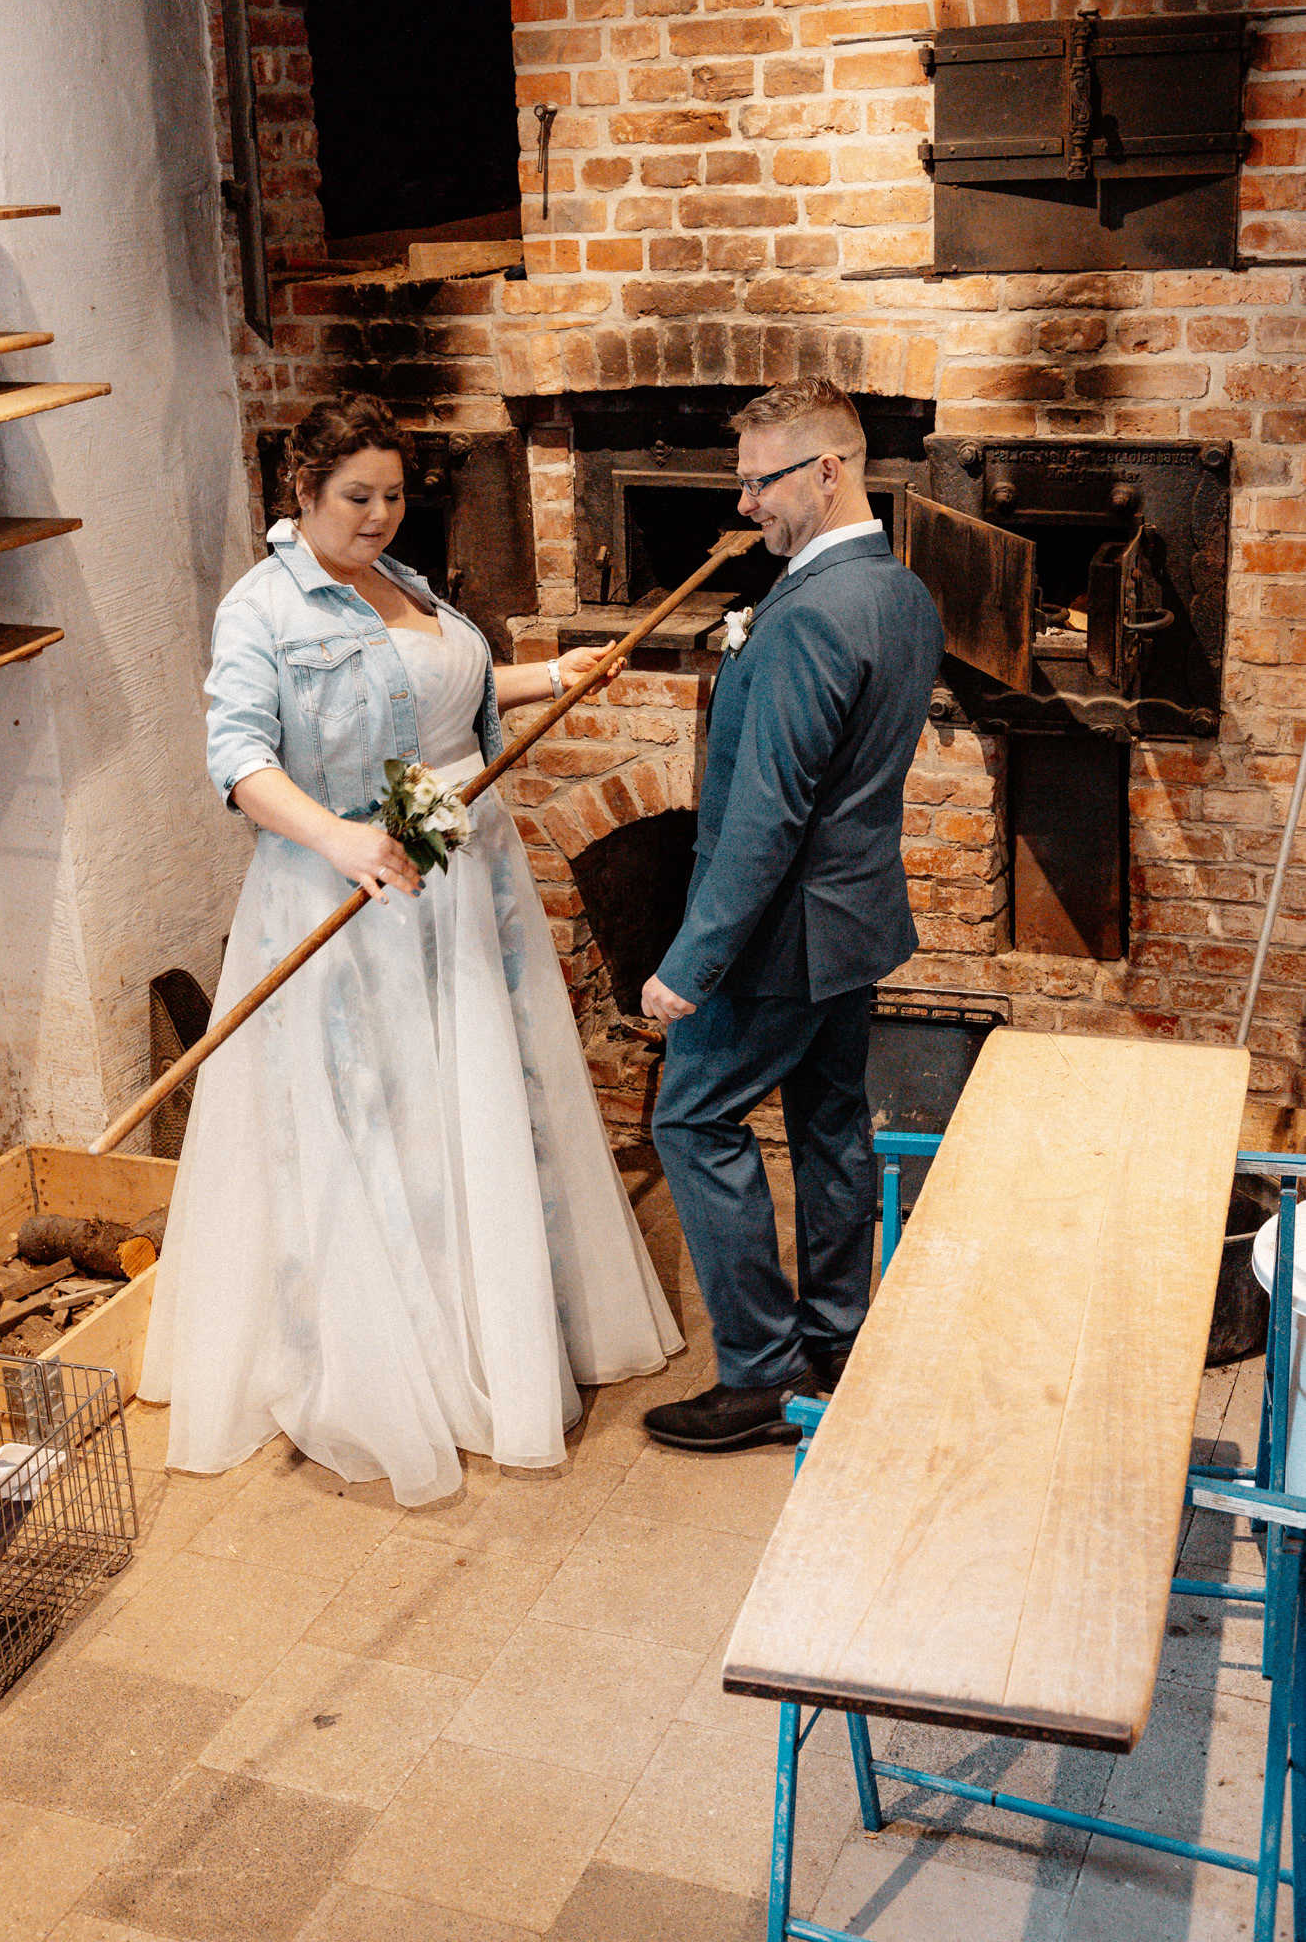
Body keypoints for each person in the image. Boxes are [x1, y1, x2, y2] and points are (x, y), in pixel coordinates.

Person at [140, 395, 681, 1506]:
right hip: (350, 895)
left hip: (461, 885)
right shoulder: (263, 610)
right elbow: (239, 754)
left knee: (466, 1104)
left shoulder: (407, 581)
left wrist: (555, 675)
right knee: (375, 1112)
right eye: (358, 496)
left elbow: (454, 694)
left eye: (393, 494)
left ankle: (490, 1332)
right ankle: (397, 1365)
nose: (381, 514)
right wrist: (340, 836)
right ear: (302, 491)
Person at [639, 378, 943, 1453]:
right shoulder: (900, 590)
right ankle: (839, 1336)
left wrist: (691, 962)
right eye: (740, 482)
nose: (745, 505)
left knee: (691, 1116)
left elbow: (768, 815)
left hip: (778, 938)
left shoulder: (812, 613)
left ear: (830, 467)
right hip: (853, 923)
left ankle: (763, 1372)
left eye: (761, 481)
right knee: (826, 1120)